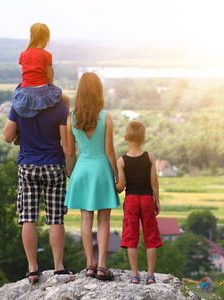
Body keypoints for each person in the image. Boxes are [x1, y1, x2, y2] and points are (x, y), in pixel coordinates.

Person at [3, 90, 72, 285]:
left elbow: (8, 137)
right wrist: (69, 167)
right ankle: (59, 266)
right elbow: (66, 143)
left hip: (28, 165)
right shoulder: (59, 107)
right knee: (56, 218)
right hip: (54, 165)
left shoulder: (19, 106)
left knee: (28, 218)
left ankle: (32, 269)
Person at [64, 72, 120, 281]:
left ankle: (89, 264)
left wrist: (70, 173)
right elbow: (110, 151)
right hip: (102, 171)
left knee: (86, 219)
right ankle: (102, 265)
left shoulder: (71, 118)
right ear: (99, 92)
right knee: (104, 220)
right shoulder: (105, 116)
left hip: (81, 171)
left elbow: (70, 152)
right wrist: (118, 175)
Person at [115, 120, 163, 285]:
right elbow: (154, 181)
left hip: (131, 200)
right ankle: (150, 275)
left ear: (125, 137)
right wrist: (157, 200)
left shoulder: (121, 161)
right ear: (143, 138)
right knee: (151, 236)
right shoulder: (150, 157)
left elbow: (121, 186)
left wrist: (111, 187)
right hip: (147, 199)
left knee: (131, 237)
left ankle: (135, 275)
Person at [12, 23, 70, 144]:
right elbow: (49, 77)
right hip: (42, 89)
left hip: (25, 91)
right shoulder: (46, 55)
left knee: (17, 104)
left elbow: (25, 74)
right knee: (67, 99)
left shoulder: (23, 54)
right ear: (46, 39)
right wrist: (52, 92)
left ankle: (18, 131)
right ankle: (65, 128)